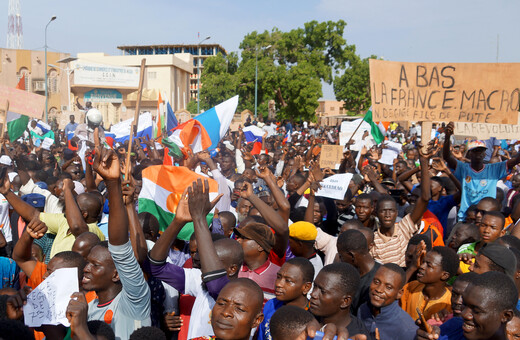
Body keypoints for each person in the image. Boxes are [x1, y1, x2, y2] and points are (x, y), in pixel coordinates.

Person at [149, 179, 243, 340]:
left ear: (232, 269)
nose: (201, 263)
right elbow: (156, 267)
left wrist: (199, 218)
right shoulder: (200, 282)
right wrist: (178, 222)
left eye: (210, 260)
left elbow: (215, 285)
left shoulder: (239, 294)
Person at [85, 137, 151, 339]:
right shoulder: (86, 308)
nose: (86, 268)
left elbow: (121, 250)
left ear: (117, 274)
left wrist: (112, 183)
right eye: (88, 263)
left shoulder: (134, 299)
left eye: (95, 265)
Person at [443, 122, 520, 221]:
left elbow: (517, 160)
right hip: (465, 218)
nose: (478, 153)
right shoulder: (463, 168)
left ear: (485, 154)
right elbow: (447, 157)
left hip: (486, 219)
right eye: (475, 151)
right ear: (470, 154)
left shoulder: (494, 169)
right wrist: (447, 136)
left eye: (481, 151)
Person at [369, 146, 431, 267]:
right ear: (376, 213)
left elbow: (425, 198)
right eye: (383, 211)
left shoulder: (404, 227)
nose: (387, 215)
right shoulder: (373, 241)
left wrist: (423, 162)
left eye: (391, 211)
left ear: (397, 213)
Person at [416, 271, 517, 340]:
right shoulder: (454, 328)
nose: (464, 314)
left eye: (476, 311)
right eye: (465, 304)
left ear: (506, 316)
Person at [257, 257, 314, 340]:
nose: (279, 284)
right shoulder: (271, 305)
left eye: (288, 281)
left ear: (306, 287)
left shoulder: (313, 318)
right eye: (279, 277)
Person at [309, 263, 371, 339]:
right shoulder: (307, 318)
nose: (313, 294)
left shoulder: (356, 335)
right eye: (315, 286)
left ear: (345, 301)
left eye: (323, 291)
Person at [358, 264, 418, 340]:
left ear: (399, 294)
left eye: (388, 287)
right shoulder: (363, 309)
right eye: (376, 282)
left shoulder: (406, 328)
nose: (379, 289)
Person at [400, 246, 459, 321]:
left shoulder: (449, 304)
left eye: (429, 265)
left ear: (444, 275)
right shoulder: (411, 287)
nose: (421, 266)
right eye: (423, 262)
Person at [336, 229, 380, 314]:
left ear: (352, 256)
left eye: (341, 256)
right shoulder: (352, 273)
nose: (340, 260)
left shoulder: (374, 284)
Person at [234, 222, 280, 303]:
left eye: (244, 238)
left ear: (260, 246)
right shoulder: (233, 268)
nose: (238, 240)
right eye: (239, 237)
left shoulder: (278, 275)